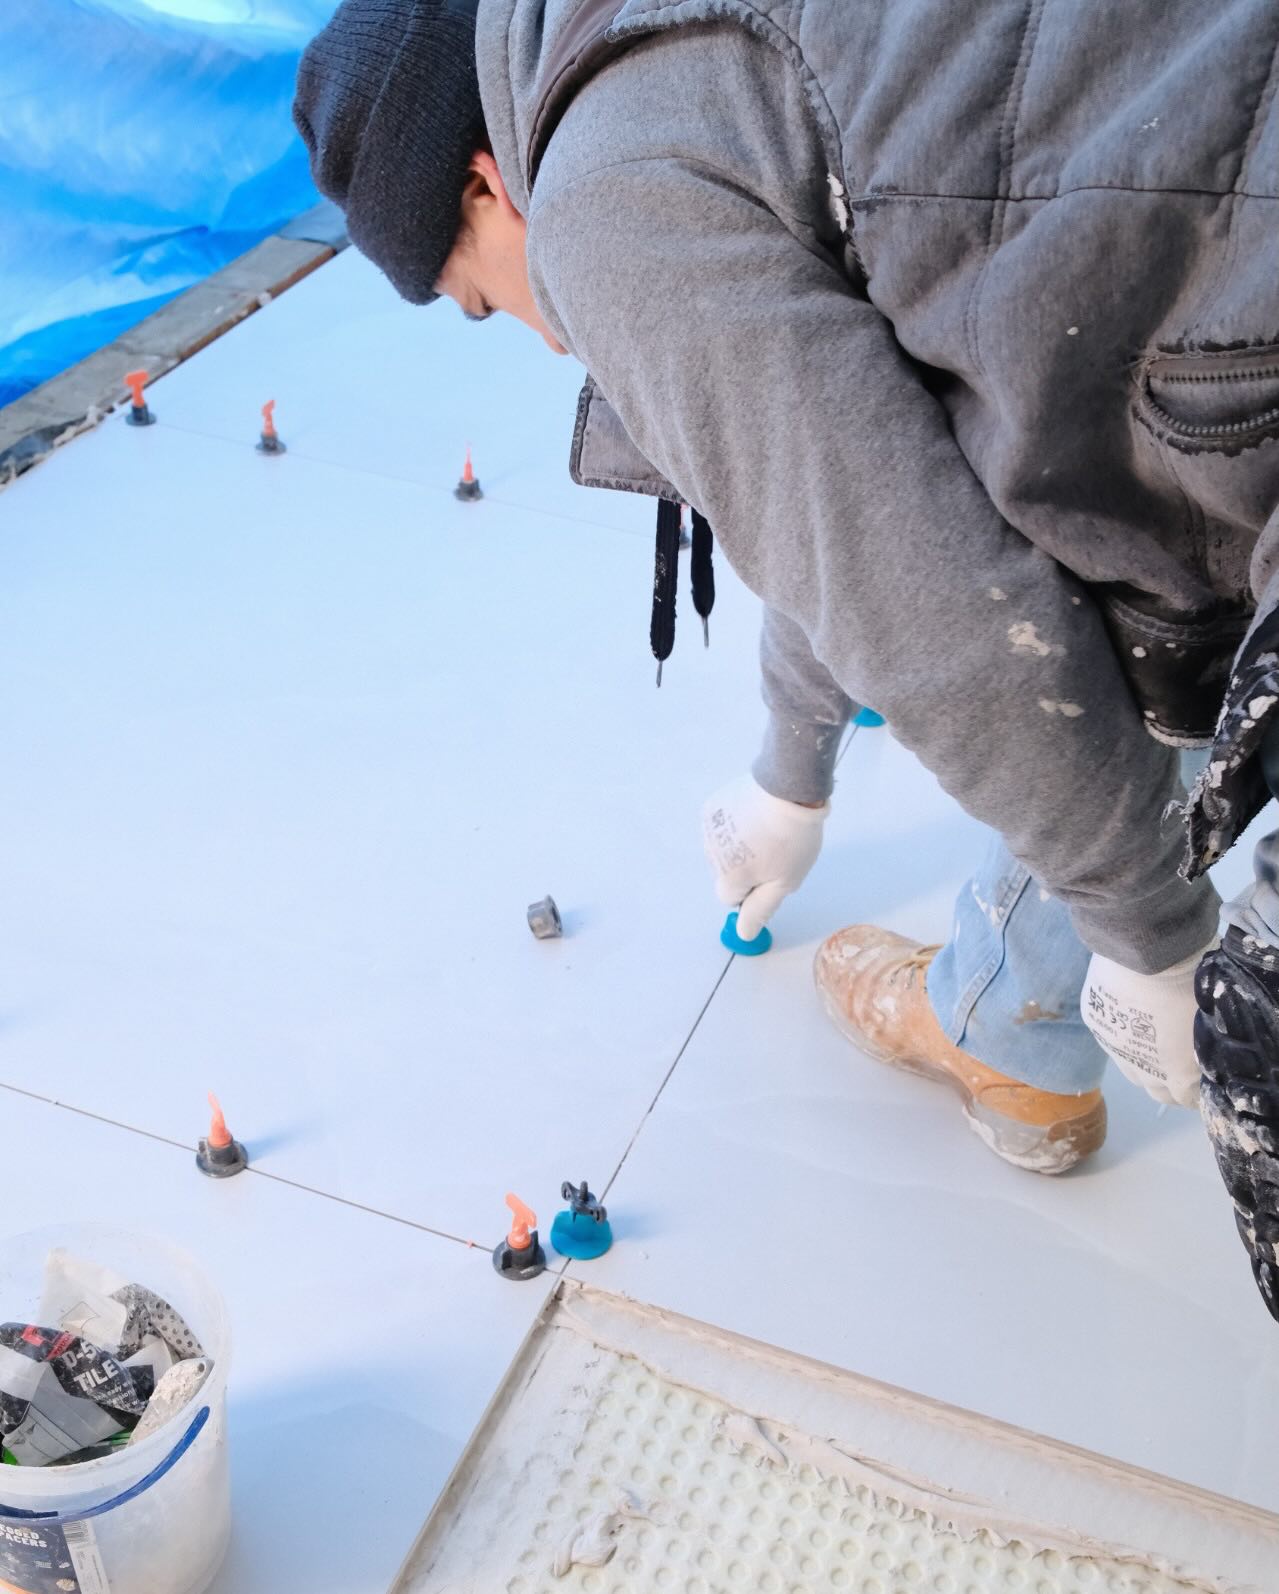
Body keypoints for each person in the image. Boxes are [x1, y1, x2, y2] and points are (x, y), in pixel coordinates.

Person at [293, 0, 1279, 1318]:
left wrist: (1153, 932)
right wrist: (788, 775)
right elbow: (871, 461)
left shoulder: (602, 200)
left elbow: (941, 612)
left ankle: (1015, 1024)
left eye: (481, 296)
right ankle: (1011, 1021)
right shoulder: (649, 45)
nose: (541, 336)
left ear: (484, 178)